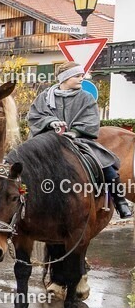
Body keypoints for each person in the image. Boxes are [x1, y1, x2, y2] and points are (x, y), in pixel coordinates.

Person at [28, 61, 132, 218]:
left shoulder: (86, 98)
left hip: (80, 141)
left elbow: (91, 120)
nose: (81, 79)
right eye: (77, 76)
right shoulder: (44, 97)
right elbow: (34, 116)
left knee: (107, 167)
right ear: (64, 78)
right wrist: (50, 122)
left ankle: (120, 202)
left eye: (82, 75)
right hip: (46, 142)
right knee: (22, 164)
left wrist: (75, 132)